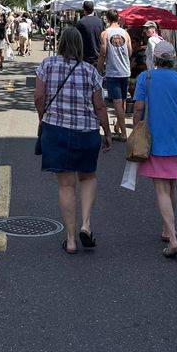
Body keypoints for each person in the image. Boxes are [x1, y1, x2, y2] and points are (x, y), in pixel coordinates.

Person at [34, 25, 112, 254]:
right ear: (80, 45)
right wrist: (107, 133)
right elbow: (99, 106)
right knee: (88, 177)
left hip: (56, 129)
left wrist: (42, 118)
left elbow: (39, 96)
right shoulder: (90, 71)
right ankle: (86, 224)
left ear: (60, 43)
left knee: (66, 185)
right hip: (86, 131)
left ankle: (70, 239)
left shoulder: (47, 65)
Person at [132, 40, 177, 259]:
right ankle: (167, 228)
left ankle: (172, 238)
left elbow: (139, 107)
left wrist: (136, 129)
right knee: (171, 186)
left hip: (155, 138)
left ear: (156, 59)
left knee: (161, 188)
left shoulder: (146, 78)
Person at [98, 12, 133, 141]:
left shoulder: (105, 34)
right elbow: (129, 51)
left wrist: (99, 69)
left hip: (113, 71)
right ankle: (119, 126)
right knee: (122, 100)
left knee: (117, 101)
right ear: (118, 19)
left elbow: (103, 52)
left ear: (107, 19)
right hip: (125, 70)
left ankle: (123, 133)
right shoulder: (125, 33)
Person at [76, 0, 104, 67]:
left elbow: (76, 40)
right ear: (93, 9)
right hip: (98, 57)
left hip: (85, 58)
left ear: (84, 9)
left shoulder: (80, 22)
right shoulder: (100, 22)